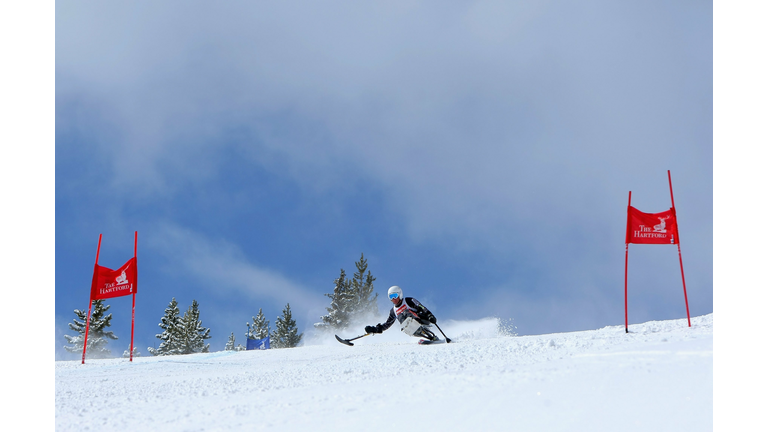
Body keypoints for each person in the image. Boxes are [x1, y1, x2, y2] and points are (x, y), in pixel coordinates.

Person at [364, 286, 439, 341]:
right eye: (391, 297)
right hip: (410, 328)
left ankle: (419, 326)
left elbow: (422, 307)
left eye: (395, 296)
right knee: (400, 316)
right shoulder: (393, 311)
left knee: (406, 312)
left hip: (422, 319)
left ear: (400, 295)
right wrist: (375, 329)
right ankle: (416, 330)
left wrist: (430, 315)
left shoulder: (409, 301)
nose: (393, 299)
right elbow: (387, 324)